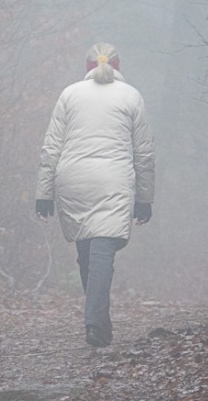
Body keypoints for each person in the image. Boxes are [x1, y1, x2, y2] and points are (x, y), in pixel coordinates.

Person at [36, 43, 155, 347]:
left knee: (86, 252)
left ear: (87, 66)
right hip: (112, 181)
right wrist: (144, 197)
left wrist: (43, 193)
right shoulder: (131, 96)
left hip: (72, 179)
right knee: (102, 252)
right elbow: (143, 153)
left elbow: (51, 148)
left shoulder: (69, 94)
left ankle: (98, 320)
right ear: (117, 64)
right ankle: (95, 322)